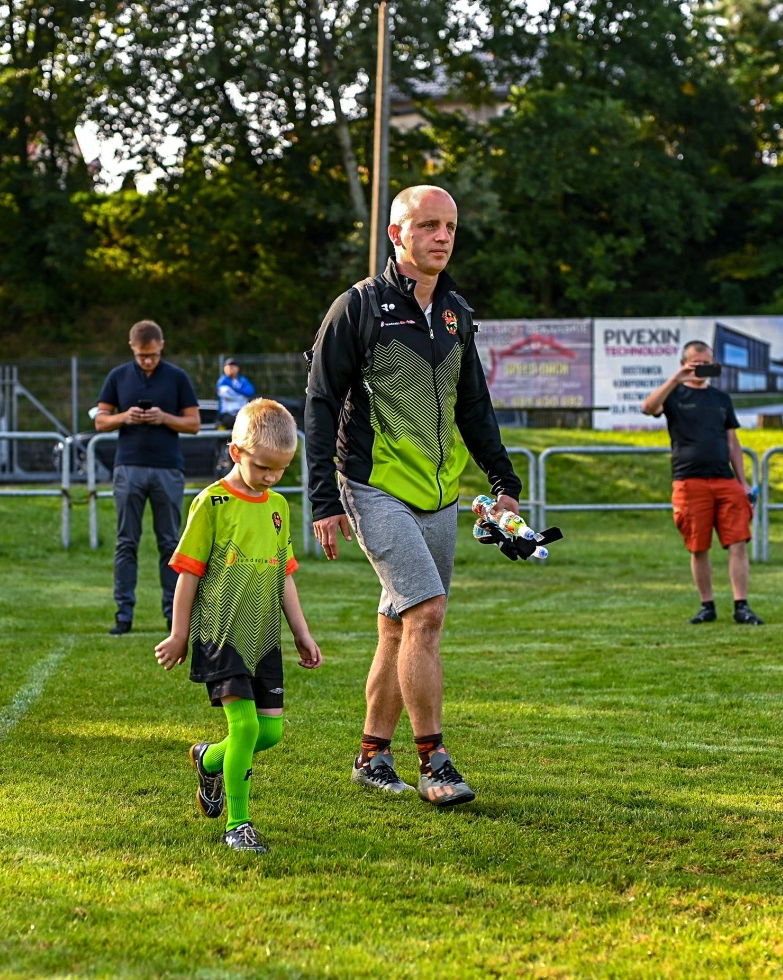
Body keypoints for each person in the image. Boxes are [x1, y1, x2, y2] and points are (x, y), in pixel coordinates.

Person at [305, 185, 521, 807]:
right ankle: (435, 761)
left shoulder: (457, 312)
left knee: (398, 629)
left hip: (439, 492)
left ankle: (373, 755)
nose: (443, 237)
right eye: (429, 226)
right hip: (371, 485)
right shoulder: (358, 307)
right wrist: (323, 499)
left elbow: (473, 405)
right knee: (426, 613)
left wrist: (503, 480)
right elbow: (320, 404)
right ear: (396, 234)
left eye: (450, 226)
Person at [155, 399, 321, 853]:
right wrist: (179, 633)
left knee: (269, 733)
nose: (271, 477)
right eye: (263, 467)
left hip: (264, 636)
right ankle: (238, 824)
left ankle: (208, 758)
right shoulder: (213, 502)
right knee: (245, 729)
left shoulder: (279, 507)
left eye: (281, 470)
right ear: (235, 453)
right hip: (220, 633)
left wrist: (301, 632)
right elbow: (188, 575)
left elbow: (282, 574)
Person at [640, 341, 764, 626]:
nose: (700, 368)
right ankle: (707, 605)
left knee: (738, 542)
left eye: (706, 362)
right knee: (698, 547)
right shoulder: (674, 393)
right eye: (695, 363)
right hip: (688, 480)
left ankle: (741, 605)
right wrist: (676, 379)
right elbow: (648, 408)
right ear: (684, 363)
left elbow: (733, 442)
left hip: (725, 479)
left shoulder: (721, 398)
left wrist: (743, 483)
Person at [94, 319, 200, 636]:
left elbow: (193, 423)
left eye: (152, 355)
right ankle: (123, 614)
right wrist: (125, 417)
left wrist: (163, 418)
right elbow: (100, 421)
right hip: (129, 467)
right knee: (127, 541)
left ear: (161, 346)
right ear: (133, 350)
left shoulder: (177, 378)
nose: (148, 361)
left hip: (168, 468)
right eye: (142, 356)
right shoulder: (118, 376)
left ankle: (173, 615)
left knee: (170, 544)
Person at [215, 358, 256, 429]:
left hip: (242, 412)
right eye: (228, 367)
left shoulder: (243, 380)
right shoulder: (222, 381)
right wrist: (242, 394)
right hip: (227, 414)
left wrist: (235, 389)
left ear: (238, 368)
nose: (231, 369)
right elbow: (228, 394)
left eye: (233, 366)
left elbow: (250, 391)